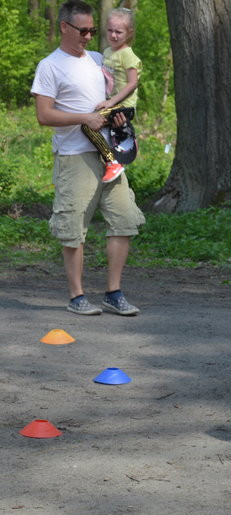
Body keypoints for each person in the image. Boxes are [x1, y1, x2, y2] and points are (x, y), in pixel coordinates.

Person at [31, 0, 146, 317]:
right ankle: (77, 296)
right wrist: (84, 118)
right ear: (65, 27)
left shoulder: (99, 59)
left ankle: (114, 292)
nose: (89, 36)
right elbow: (44, 115)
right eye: (83, 30)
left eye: (92, 30)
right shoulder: (50, 66)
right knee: (73, 228)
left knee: (124, 220)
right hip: (74, 157)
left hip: (110, 156)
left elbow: (116, 96)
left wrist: (118, 118)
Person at [80, 6, 142, 184]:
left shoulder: (127, 55)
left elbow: (132, 83)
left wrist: (111, 102)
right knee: (94, 123)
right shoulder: (107, 52)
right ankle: (124, 135)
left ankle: (112, 161)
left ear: (129, 33)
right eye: (110, 30)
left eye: (119, 32)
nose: (113, 35)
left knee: (88, 125)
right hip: (112, 103)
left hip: (124, 106)